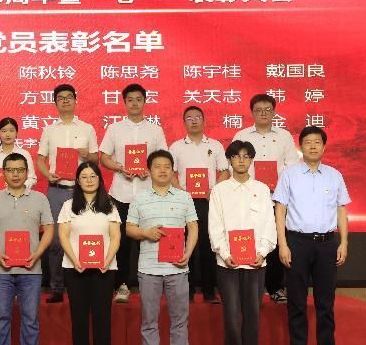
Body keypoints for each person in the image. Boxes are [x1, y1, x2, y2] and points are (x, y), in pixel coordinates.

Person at [274, 126, 350, 345]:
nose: (313, 146)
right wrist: (283, 244)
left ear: (324, 146)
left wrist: (344, 242)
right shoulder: (290, 174)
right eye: (308, 142)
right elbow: (280, 210)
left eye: (317, 142)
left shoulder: (334, 175)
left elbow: (341, 210)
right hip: (297, 243)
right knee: (296, 303)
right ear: (301, 147)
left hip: (327, 244)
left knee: (325, 304)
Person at [126, 150, 198, 345]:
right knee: (149, 317)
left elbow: (193, 227)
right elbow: (129, 229)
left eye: (167, 166)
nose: (163, 170)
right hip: (148, 268)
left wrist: (188, 253)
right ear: (149, 171)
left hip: (178, 267)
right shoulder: (139, 198)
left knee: (180, 318)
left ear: (173, 170)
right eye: (157, 166)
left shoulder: (184, 197)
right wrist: (145, 233)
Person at [0, 153, 54, 345]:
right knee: (0, 316)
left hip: (31, 269)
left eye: (20, 170)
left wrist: (37, 254)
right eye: (11, 170)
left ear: (27, 172)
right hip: (0, 269)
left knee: (30, 317)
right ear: (2, 173)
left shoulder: (40, 199)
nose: (15, 174)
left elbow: (49, 229)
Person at [208, 141, 277, 345]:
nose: (241, 160)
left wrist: (262, 251)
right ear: (229, 160)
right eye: (236, 156)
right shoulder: (219, 190)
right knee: (231, 312)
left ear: (251, 160)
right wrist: (225, 253)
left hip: (256, 261)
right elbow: (215, 225)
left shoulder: (262, 189)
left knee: (253, 313)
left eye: (246, 156)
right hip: (227, 262)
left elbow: (269, 223)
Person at [100, 83, 167, 303]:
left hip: (148, 194)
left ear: (145, 101)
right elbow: (104, 157)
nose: (135, 103)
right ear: (125, 102)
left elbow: (163, 158)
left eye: (139, 99)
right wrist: (120, 168)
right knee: (120, 242)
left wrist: (151, 170)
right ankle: (121, 285)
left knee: (150, 240)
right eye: (130, 100)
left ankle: (152, 284)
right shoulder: (115, 129)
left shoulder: (155, 130)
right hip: (121, 193)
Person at [233, 94, 299, 304]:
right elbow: (234, 164)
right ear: (251, 112)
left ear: (274, 112)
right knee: (250, 240)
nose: (263, 113)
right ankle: (250, 288)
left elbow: (291, 166)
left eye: (267, 109)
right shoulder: (242, 135)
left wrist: (278, 185)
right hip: (247, 198)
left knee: (275, 241)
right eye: (258, 110)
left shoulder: (284, 136)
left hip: (276, 199)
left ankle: (275, 287)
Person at [36, 84, 98, 304]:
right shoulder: (49, 130)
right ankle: (57, 287)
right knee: (55, 241)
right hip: (57, 190)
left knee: (84, 237)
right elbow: (40, 159)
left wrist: (87, 155)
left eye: (69, 97)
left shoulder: (87, 128)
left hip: (83, 191)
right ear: (55, 103)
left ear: (75, 100)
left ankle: (82, 286)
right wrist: (48, 175)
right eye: (60, 98)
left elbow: (96, 159)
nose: (65, 101)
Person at [57, 162, 121, 345]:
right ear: (77, 181)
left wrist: (107, 260)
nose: (89, 180)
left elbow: (115, 236)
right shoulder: (68, 206)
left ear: (99, 179)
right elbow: (63, 235)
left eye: (93, 176)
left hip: (104, 268)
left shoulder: (110, 205)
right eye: (84, 177)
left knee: (103, 315)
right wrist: (75, 260)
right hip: (75, 268)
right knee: (79, 315)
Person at [169, 105, 229, 303]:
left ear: (204, 121)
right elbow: (170, 173)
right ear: (184, 123)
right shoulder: (176, 147)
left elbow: (225, 171)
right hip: (184, 202)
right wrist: (180, 191)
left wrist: (214, 190)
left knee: (207, 245)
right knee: (186, 245)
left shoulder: (215, 145)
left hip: (208, 201)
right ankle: (186, 292)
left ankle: (209, 291)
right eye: (189, 118)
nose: (194, 121)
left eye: (197, 117)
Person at [0, 117, 37, 192]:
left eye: (11, 131)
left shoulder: (24, 154)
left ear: (16, 133)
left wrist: (20, 188)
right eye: (4, 131)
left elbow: (32, 178)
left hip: (21, 195)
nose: (8, 134)